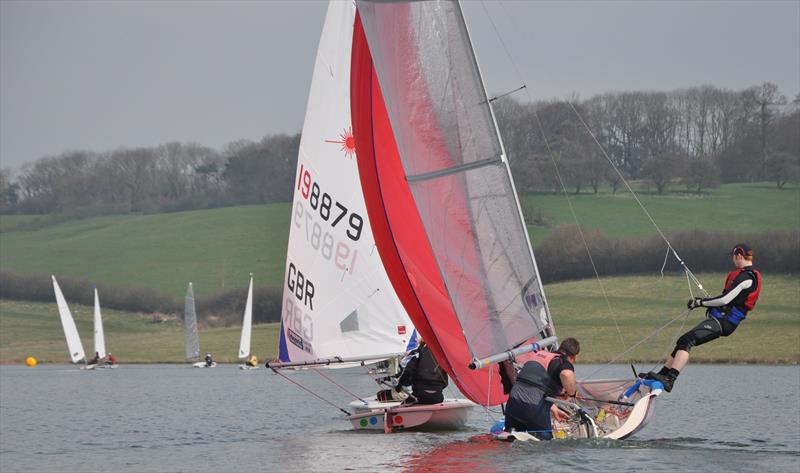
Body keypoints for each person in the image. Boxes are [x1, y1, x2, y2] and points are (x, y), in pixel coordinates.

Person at [644, 244, 761, 392]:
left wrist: (700, 302)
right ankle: (661, 375)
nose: (732, 259)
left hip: (725, 322)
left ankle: (669, 380)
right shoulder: (747, 275)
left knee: (687, 341)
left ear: (739, 256)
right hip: (721, 319)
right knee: (682, 342)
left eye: (733, 256)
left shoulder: (746, 278)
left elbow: (724, 300)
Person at [502, 337, 580, 440]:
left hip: (513, 405)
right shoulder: (562, 362)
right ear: (573, 357)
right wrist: (571, 393)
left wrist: (553, 409)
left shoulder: (538, 355)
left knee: (511, 438)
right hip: (533, 408)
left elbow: (533, 386)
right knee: (545, 442)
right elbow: (567, 374)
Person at [394, 338, 448, 405]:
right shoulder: (441, 356)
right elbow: (445, 383)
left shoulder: (417, 353)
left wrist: (399, 386)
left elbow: (407, 372)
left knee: (403, 405)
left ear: (421, 342)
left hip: (419, 396)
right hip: (438, 397)